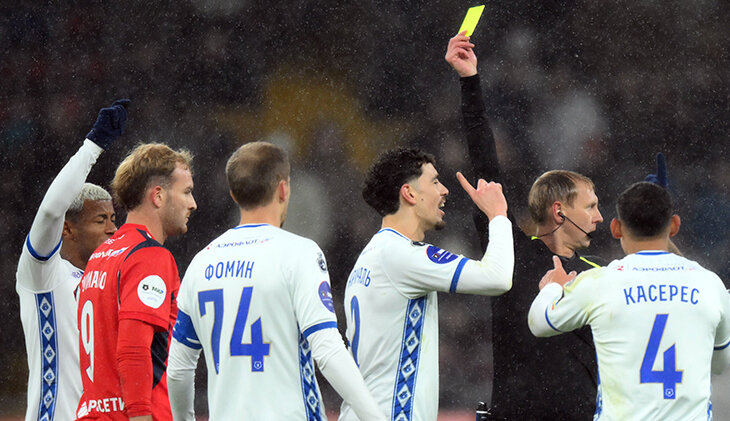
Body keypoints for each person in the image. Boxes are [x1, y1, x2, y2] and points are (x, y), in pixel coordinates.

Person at [446, 33, 605, 419]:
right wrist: (469, 82)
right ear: (559, 211)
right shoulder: (510, 255)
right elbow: (485, 166)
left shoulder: (601, 275)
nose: (600, 217)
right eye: (591, 206)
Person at [166, 141, 385, 420]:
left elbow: (178, 369)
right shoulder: (299, 253)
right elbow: (327, 350)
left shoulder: (201, 263)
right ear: (283, 189)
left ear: (234, 194)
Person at [339, 147, 515, 421]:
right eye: (434, 181)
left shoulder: (371, 257)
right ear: (409, 193)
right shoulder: (401, 254)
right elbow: (497, 277)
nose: (444, 190)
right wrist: (498, 214)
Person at [528, 181, 730, 420]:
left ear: (616, 228)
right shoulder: (710, 284)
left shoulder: (598, 283)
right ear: (674, 225)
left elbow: (539, 323)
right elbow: (720, 364)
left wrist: (552, 288)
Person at [16, 99, 127, 421]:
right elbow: (51, 210)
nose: (112, 229)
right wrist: (92, 147)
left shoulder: (107, 284)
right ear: (68, 229)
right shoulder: (44, 274)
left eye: (113, 219)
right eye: (100, 220)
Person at [75, 143, 196, 420]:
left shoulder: (101, 255)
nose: (192, 203)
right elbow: (133, 349)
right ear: (158, 196)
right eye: (186, 192)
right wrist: (140, 414)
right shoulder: (149, 256)